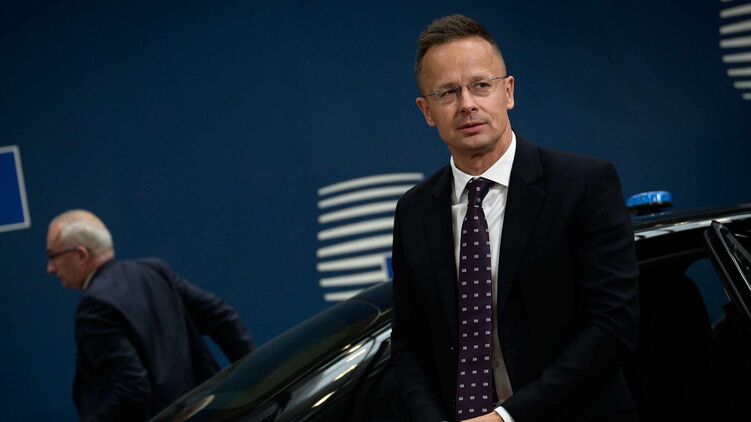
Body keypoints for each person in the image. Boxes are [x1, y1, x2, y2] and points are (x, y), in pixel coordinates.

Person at [391, 15, 639, 422]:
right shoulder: (414, 211)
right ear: (427, 111)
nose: (467, 104)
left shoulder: (582, 185)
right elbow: (409, 344)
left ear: (508, 92)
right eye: (448, 92)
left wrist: (505, 418)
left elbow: (612, 327)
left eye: (480, 85)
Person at [46, 209, 254, 421]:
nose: (50, 268)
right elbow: (222, 317)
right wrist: (254, 383)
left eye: (53, 256)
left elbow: (132, 386)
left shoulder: (94, 306)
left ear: (81, 254)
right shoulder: (154, 271)